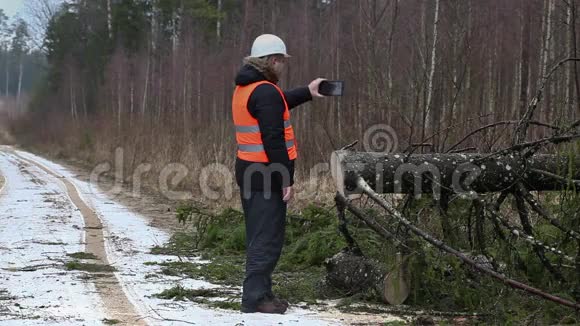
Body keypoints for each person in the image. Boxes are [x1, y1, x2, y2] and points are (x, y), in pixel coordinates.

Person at [232, 34, 325, 314]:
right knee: (267, 237)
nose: (283, 66)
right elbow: (273, 138)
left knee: (259, 234)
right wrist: (285, 177)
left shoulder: (248, 88)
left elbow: (277, 102)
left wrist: (308, 92)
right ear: (273, 60)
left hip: (249, 170)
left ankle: (261, 292)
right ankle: (255, 299)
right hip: (266, 174)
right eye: (281, 61)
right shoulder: (265, 91)